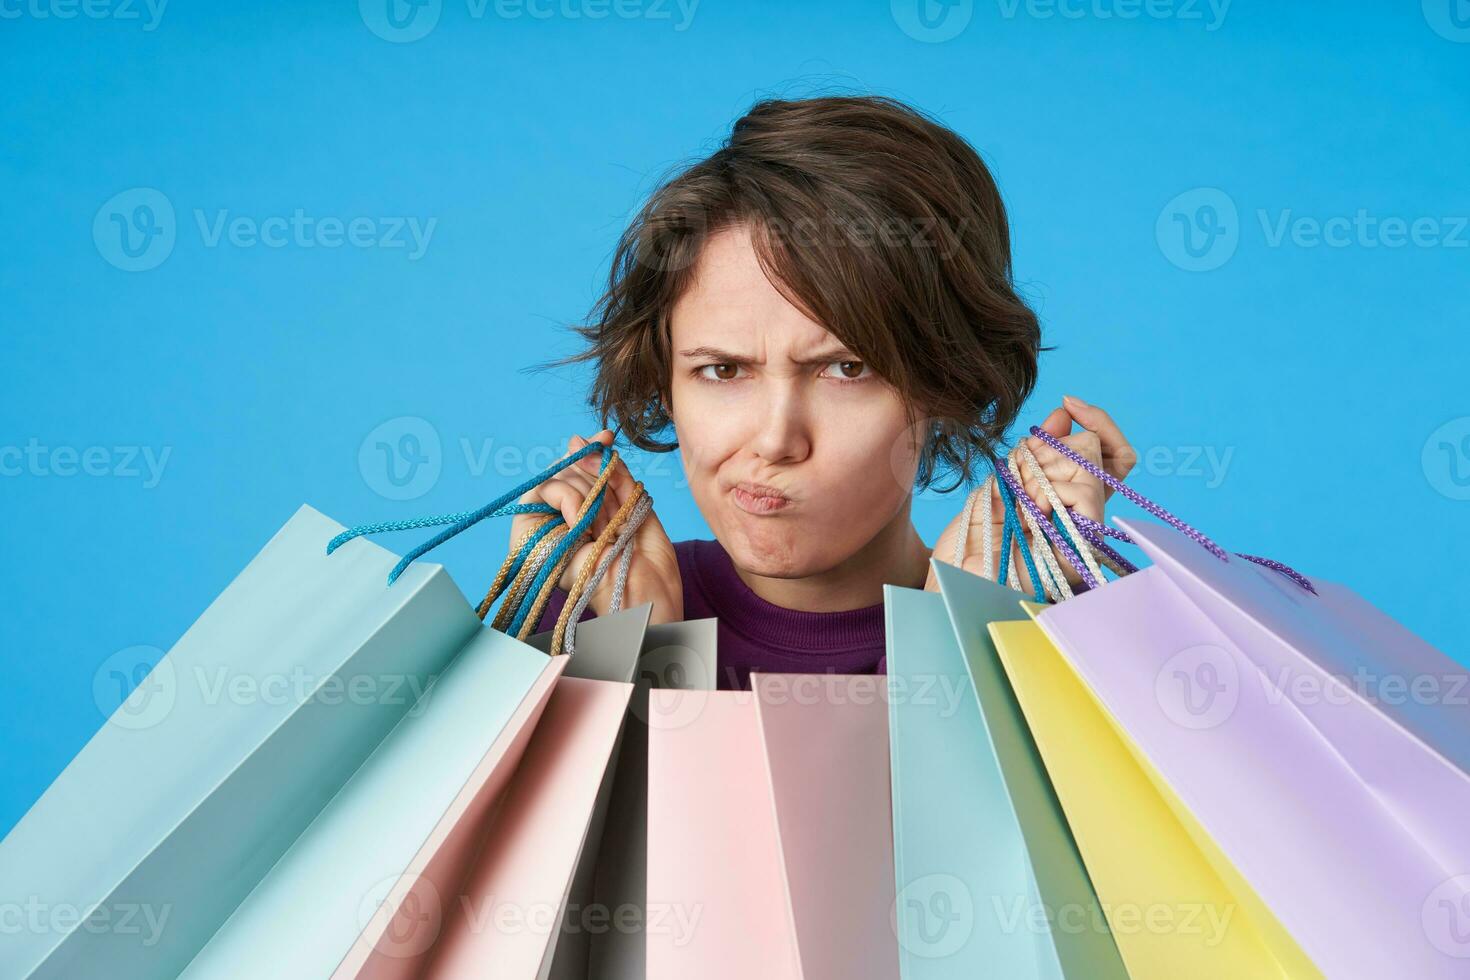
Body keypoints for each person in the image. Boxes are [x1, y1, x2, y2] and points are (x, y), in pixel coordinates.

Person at [527, 94, 1136, 690]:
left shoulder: (1067, 630)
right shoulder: (580, 624)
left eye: (847, 370)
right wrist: (644, 658)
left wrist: (960, 642)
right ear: (665, 382)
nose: (775, 441)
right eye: (722, 371)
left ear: (946, 381)